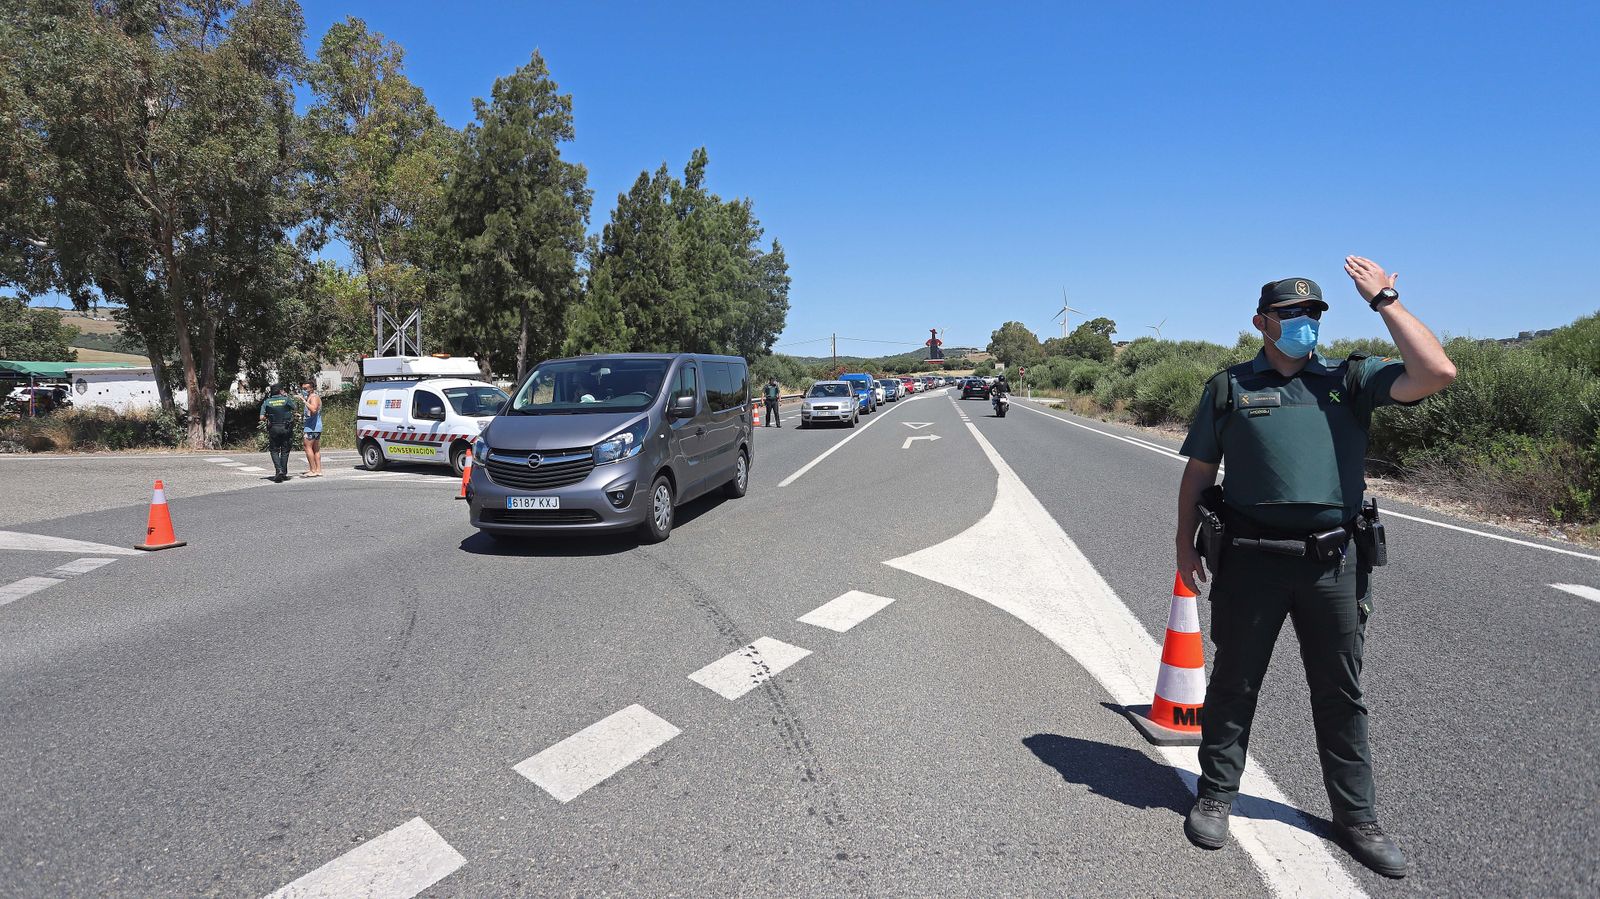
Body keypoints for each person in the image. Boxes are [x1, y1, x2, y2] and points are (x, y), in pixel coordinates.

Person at [1174, 258, 1455, 878]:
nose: (1306, 324)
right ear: (1261, 322)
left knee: (1340, 691)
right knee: (1234, 683)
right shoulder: (1230, 387)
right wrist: (1183, 545)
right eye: (1292, 314)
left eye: (1315, 314)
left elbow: (1437, 371)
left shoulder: (1350, 380)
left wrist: (1384, 298)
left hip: (1333, 563)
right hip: (1250, 561)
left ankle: (1357, 818)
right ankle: (1216, 795)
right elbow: (1198, 471)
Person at [258, 384, 298, 483]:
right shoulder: (286, 399)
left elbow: (261, 417)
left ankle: (278, 470)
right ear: (280, 391)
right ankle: (283, 472)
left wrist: (268, 417)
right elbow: (295, 408)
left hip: (274, 428)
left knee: (274, 450)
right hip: (286, 427)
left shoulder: (267, 402)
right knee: (285, 450)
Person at [299, 381, 324, 478]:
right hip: (315, 426)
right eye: (303, 388)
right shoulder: (312, 397)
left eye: (305, 388)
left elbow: (313, 409)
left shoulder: (313, 397)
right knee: (315, 449)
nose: (304, 390)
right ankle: (318, 470)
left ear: (311, 388)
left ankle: (313, 470)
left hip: (311, 428)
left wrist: (304, 401)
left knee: (307, 447)